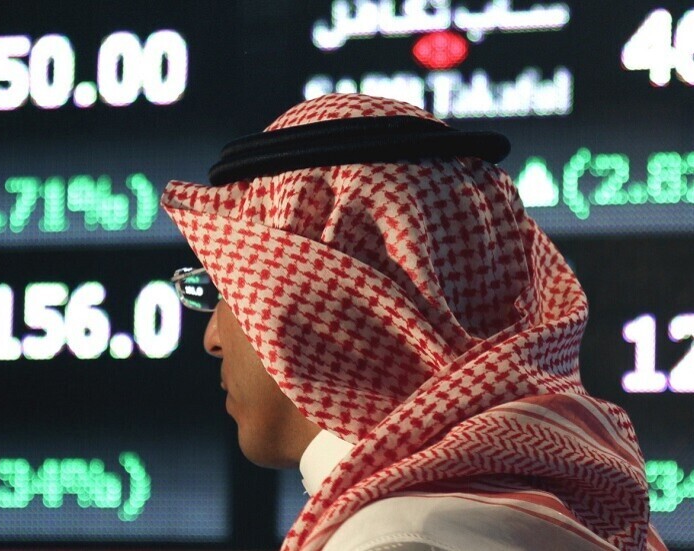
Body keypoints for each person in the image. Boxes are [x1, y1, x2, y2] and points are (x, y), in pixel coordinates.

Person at [162, 94, 666, 551]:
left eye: (227, 289)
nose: (212, 338)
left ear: (311, 300)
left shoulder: (396, 540)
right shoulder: (567, 508)